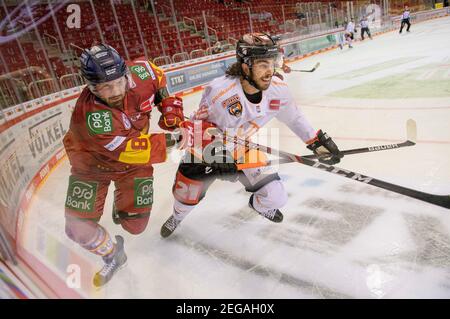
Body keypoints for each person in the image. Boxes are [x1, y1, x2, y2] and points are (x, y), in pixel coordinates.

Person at [159, 33, 343, 238]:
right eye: (263, 65)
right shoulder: (221, 93)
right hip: (202, 154)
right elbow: (196, 126)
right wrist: (217, 153)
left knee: (276, 196)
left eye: (273, 64)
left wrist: (316, 141)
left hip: (241, 149)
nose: (270, 72)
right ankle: (177, 217)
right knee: (185, 200)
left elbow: (294, 117)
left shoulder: (278, 89)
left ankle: (260, 206)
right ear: (246, 67)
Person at [63, 44, 185, 287]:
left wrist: (168, 106)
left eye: (119, 82)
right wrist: (176, 137)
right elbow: (128, 150)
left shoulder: (141, 72)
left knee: (136, 226)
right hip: (91, 167)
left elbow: (157, 75)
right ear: (91, 87)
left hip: (132, 167)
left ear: (126, 73)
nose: (115, 90)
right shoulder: (90, 115)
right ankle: (113, 254)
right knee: (76, 228)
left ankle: (122, 209)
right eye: (106, 87)